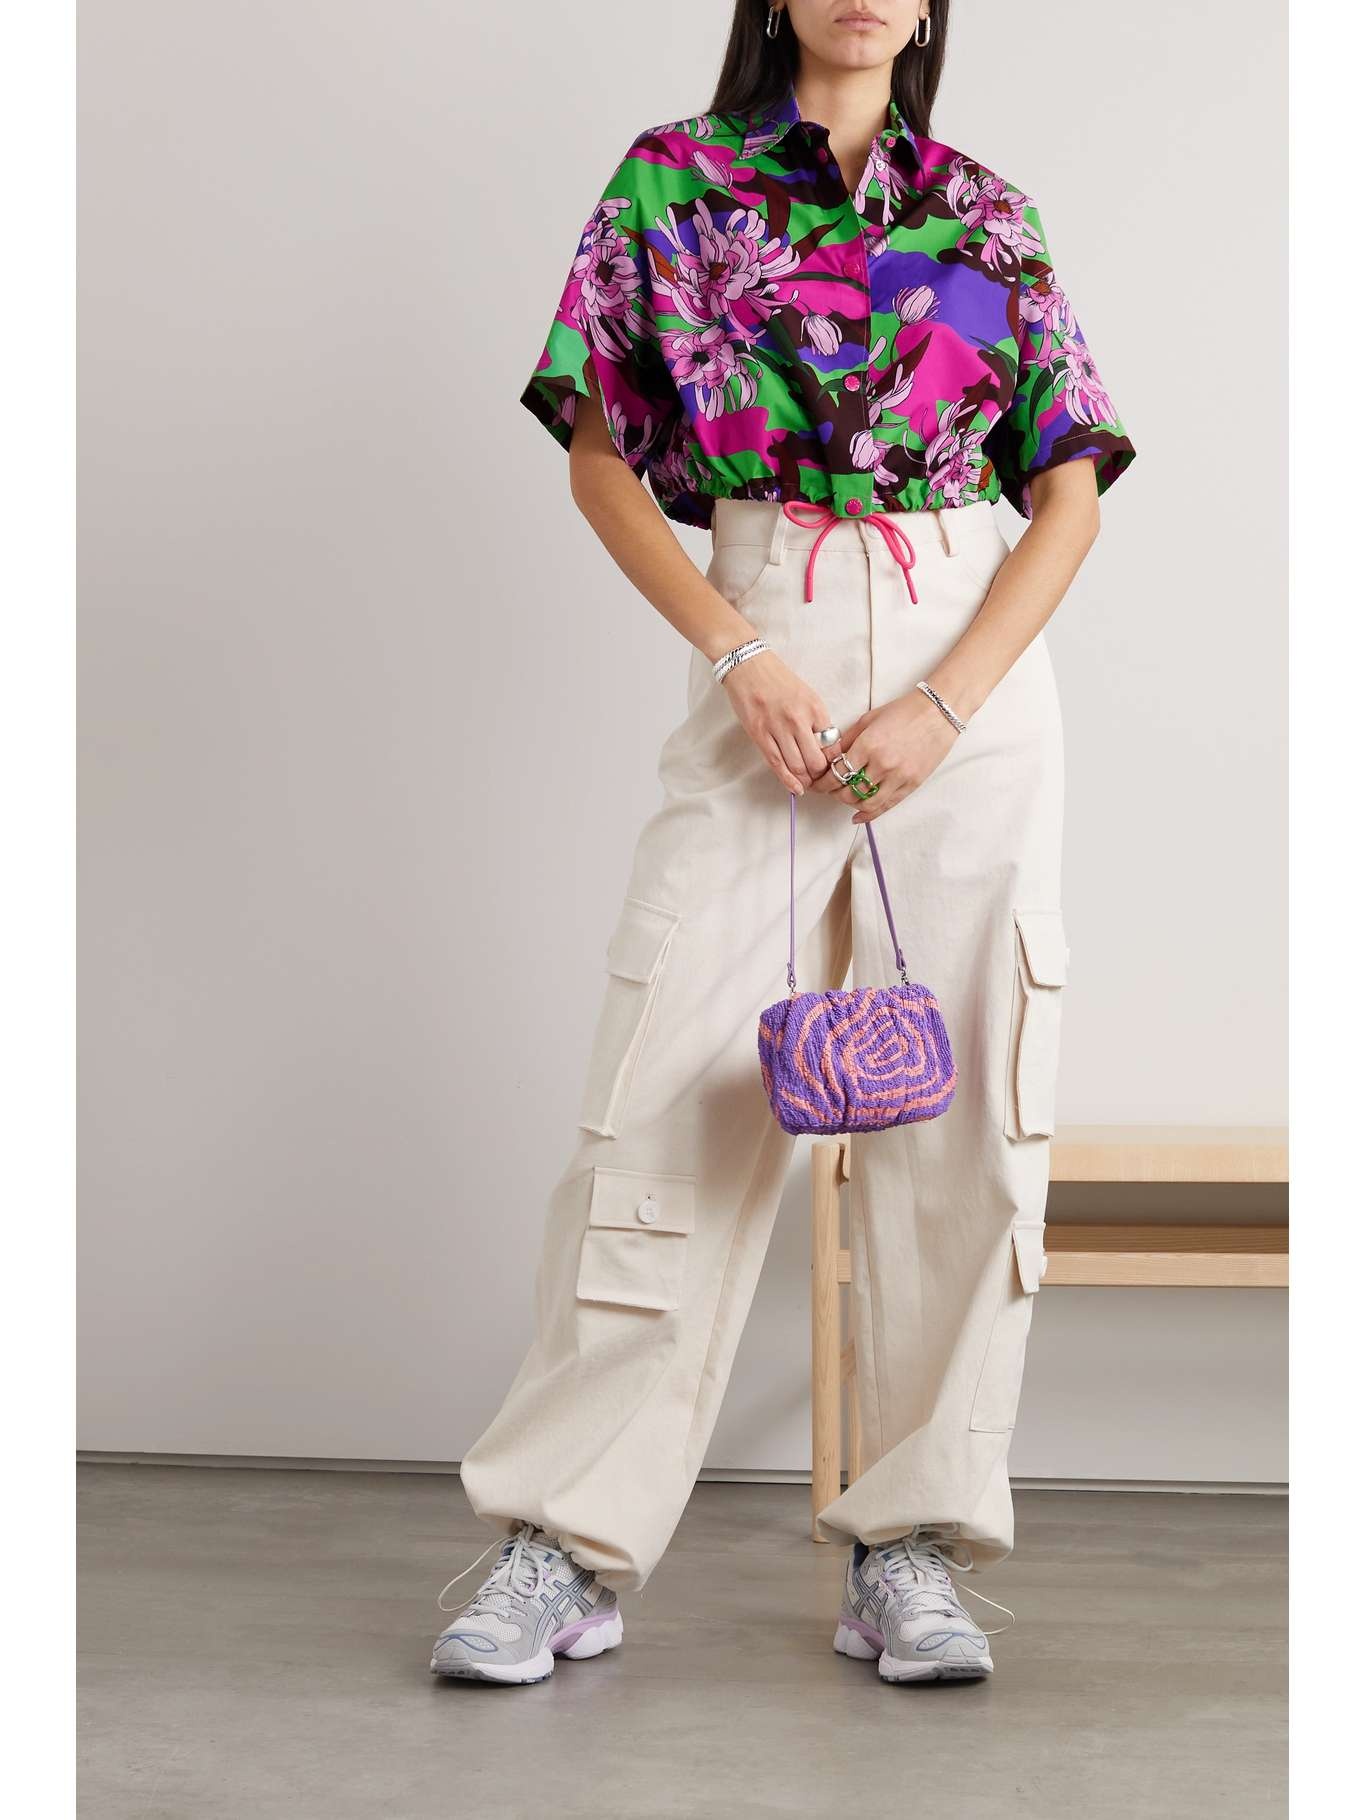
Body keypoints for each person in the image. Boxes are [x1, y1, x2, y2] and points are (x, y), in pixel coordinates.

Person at [434, 0, 1135, 1686]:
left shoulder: (985, 211)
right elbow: (600, 461)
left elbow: (1066, 494)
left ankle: (910, 1548)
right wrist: (737, 652)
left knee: (965, 1119)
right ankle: (564, 1543)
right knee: (662, 1091)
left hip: (969, 669)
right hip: (767, 625)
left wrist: (947, 703)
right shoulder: (673, 183)